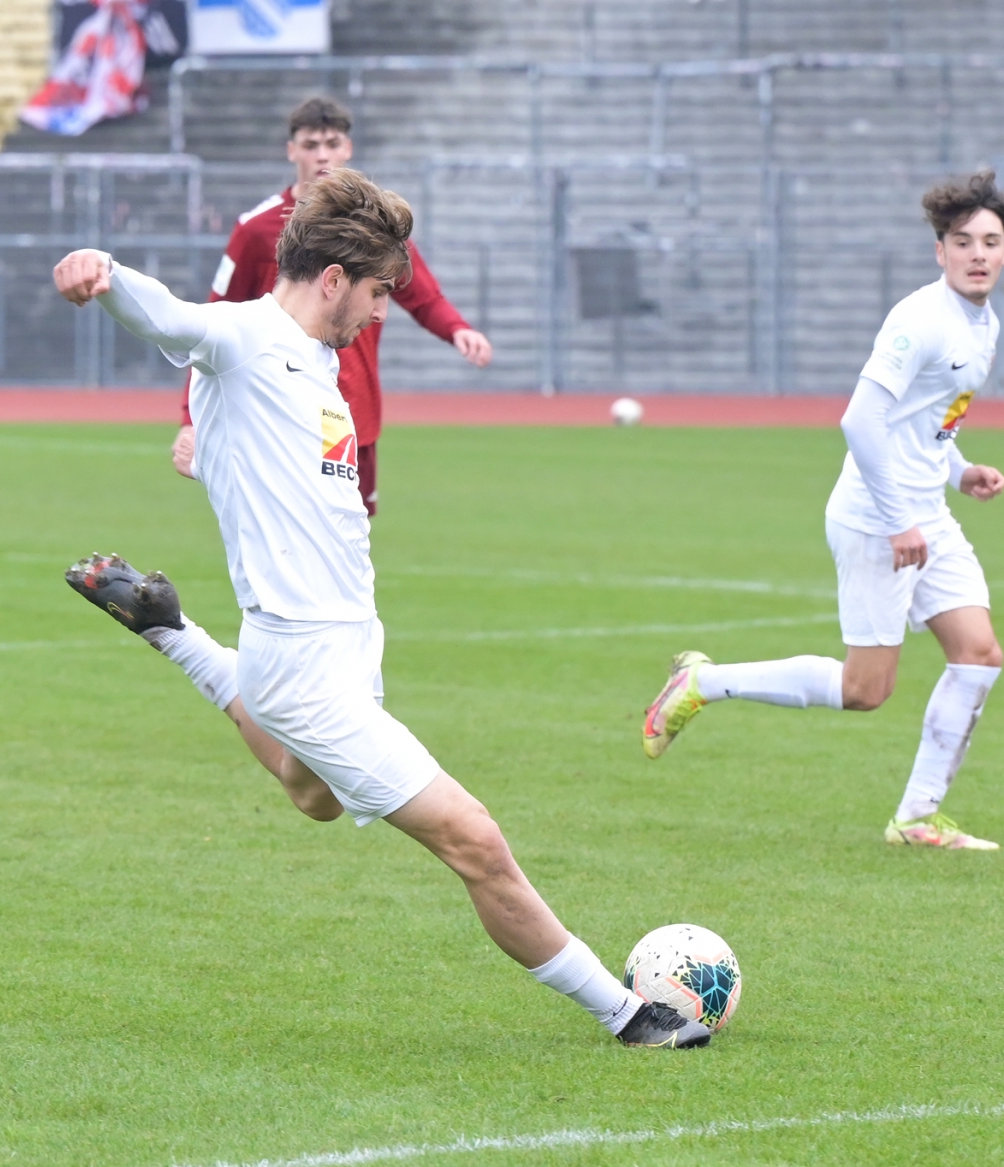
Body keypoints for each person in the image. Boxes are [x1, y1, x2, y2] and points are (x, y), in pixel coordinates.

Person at [56, 169, 708, 1050]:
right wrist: (100, 272)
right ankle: (627, 1015)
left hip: (347, 646)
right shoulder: (243, 337)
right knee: (474, 839)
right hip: (300, 660)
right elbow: (172, 317)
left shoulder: (321, 364)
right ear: (333, 279)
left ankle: (173, 630)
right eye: (374, 294)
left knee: (314, 797)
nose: (377, 313)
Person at [642, 172, 1004, 852]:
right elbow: (860, 421)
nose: (978, 254)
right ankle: (702, 682)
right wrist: (899, 519)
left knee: (979, 653)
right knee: (865, 688)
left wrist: (960, 472)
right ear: (940, 251)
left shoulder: (982, 321)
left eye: (990, 242)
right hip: (878, 517)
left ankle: (916, 819)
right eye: (963, 242)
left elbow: (926, 421)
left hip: (924, 510)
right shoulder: (921, 320)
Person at [171, 96, 492, 516]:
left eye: (332, 143)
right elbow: (211, 326)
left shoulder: (375, 228)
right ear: (292, 151)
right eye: (311, 145)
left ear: (348, 149)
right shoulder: (256, 230)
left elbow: (422, 294)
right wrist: (191, 417)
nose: (322, 155)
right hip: (282, 407)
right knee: (290, 525)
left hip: (355, 411)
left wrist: (457, 328)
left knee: (351, 531)